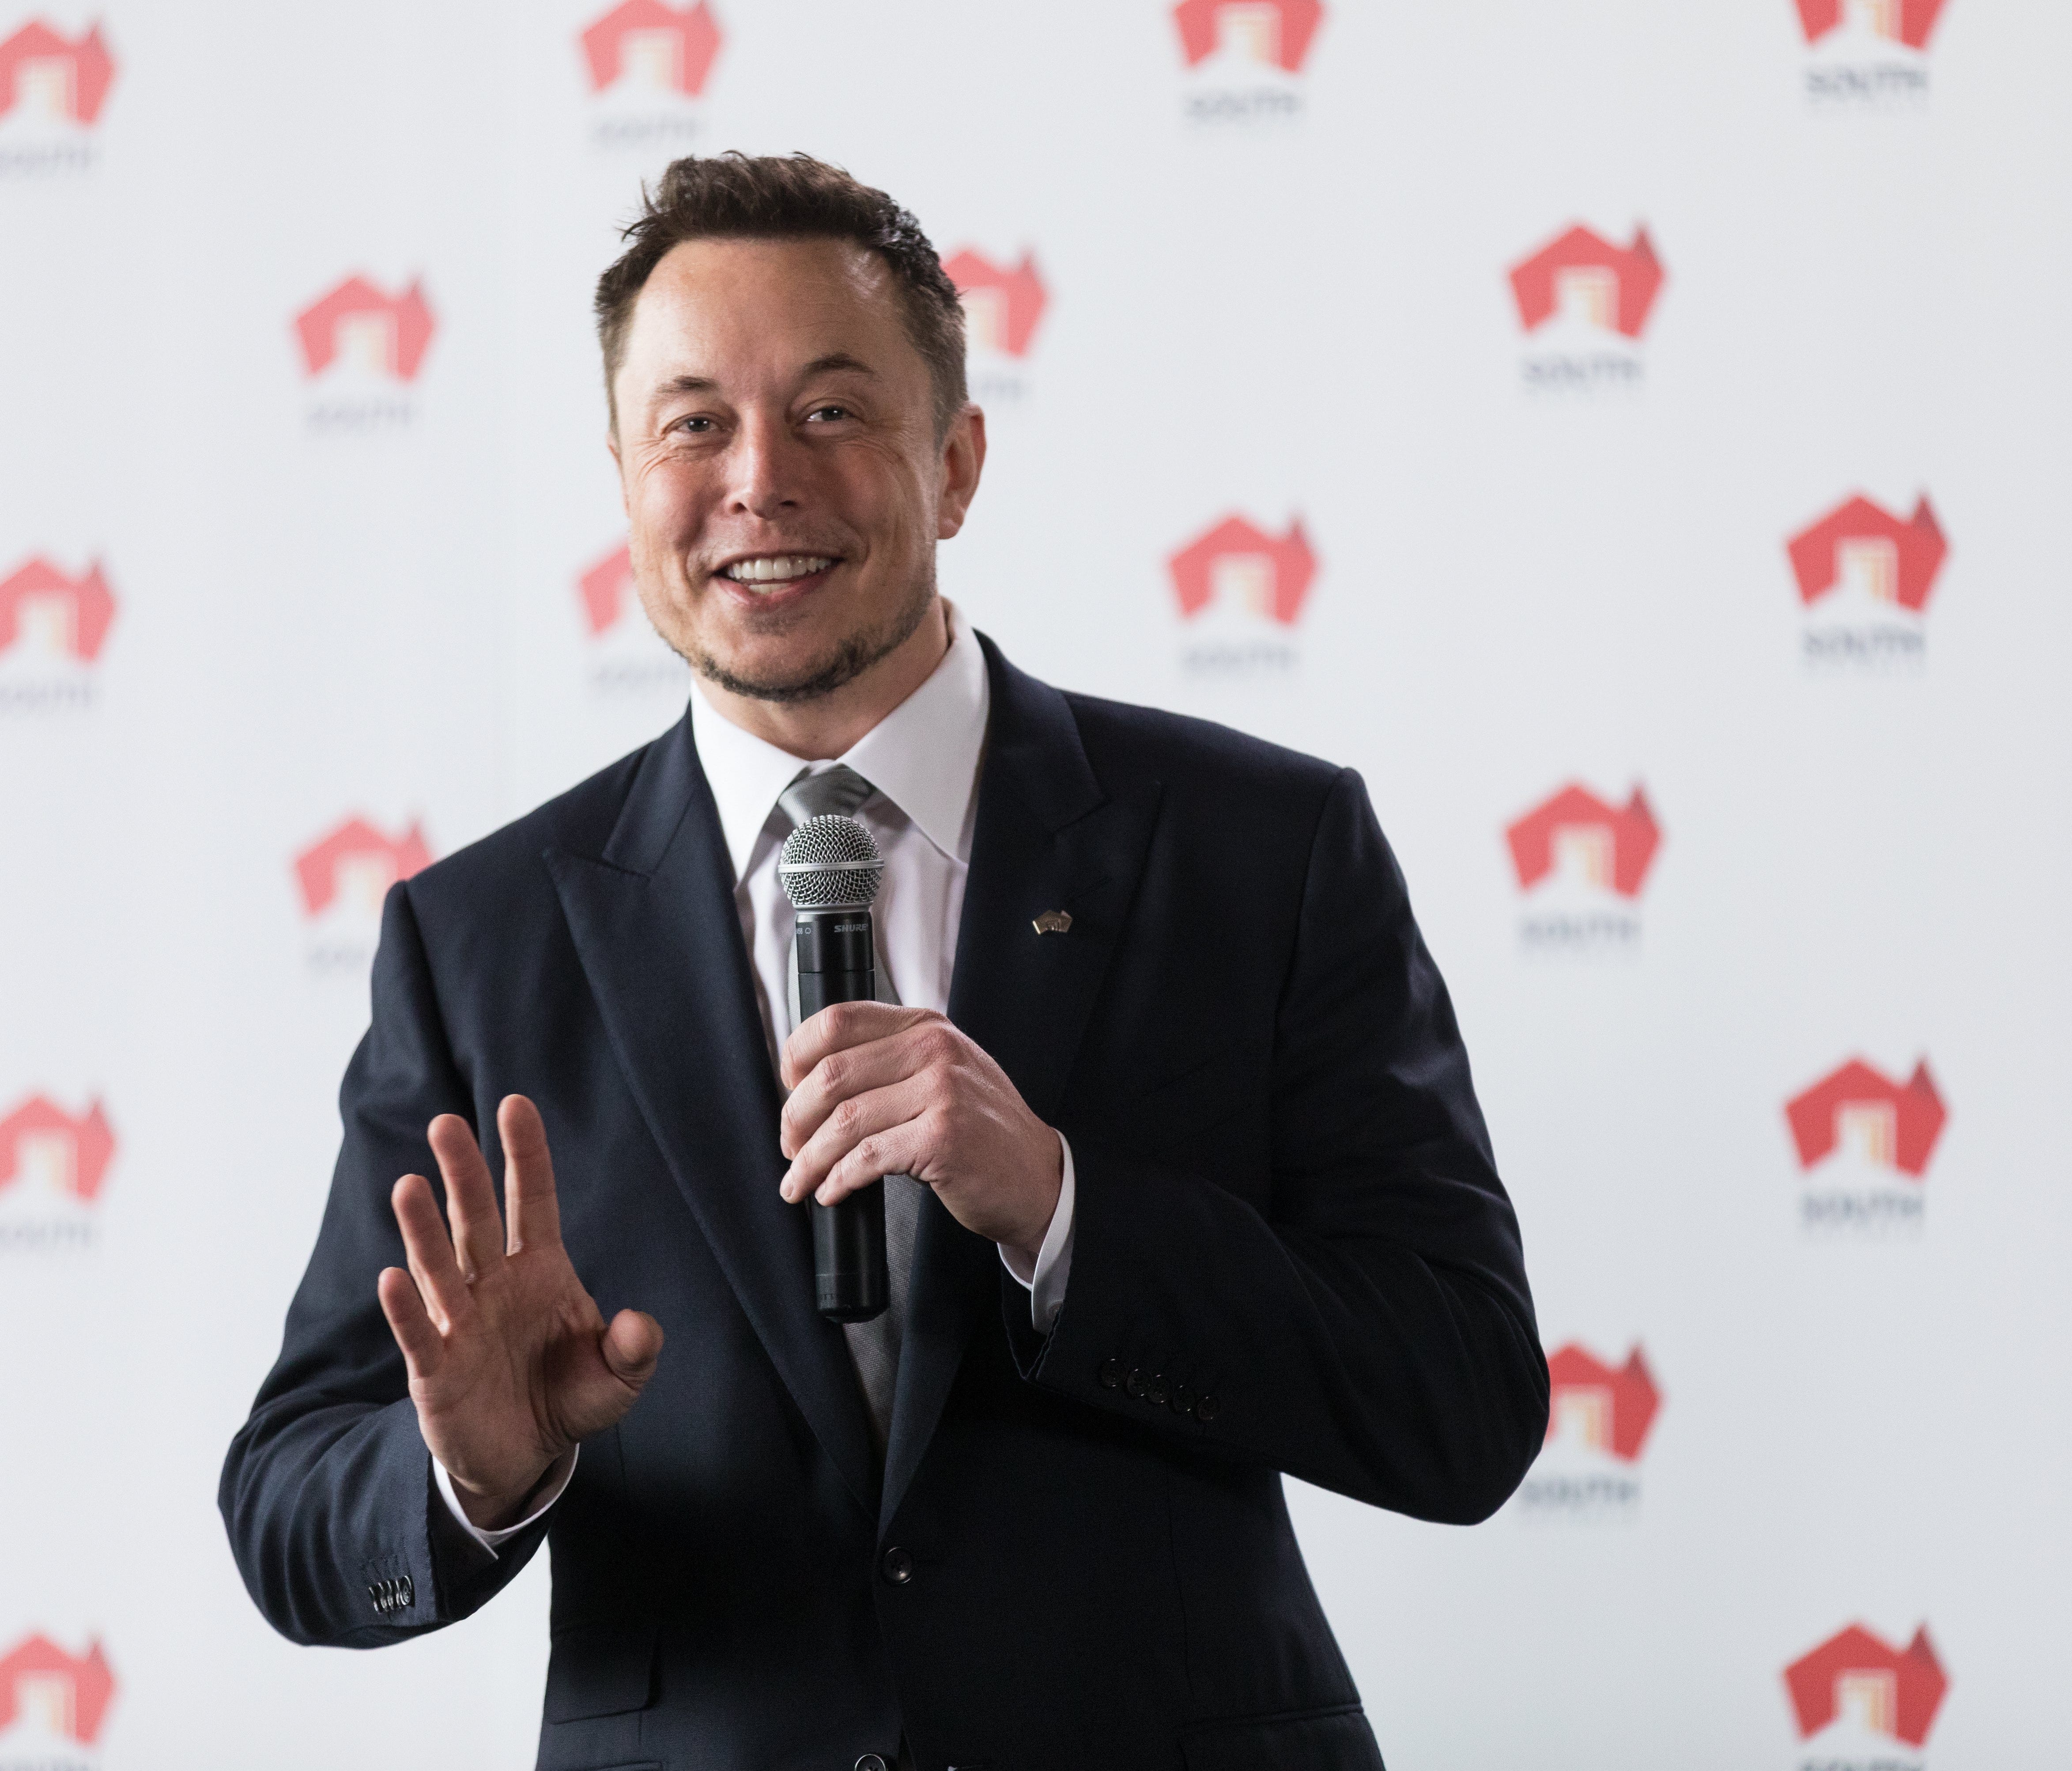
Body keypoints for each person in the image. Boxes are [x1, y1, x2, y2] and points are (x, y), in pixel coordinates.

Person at [220, 152, 1547, 1771]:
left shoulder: (1262, 848)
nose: (759, 479)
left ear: (960, 459)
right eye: (693, 421)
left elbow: (1464, 1399)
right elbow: (290, 1497)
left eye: (834, 410)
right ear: (627, 476)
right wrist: (474, 1476)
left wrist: (1067, 1210)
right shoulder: (477, 937)